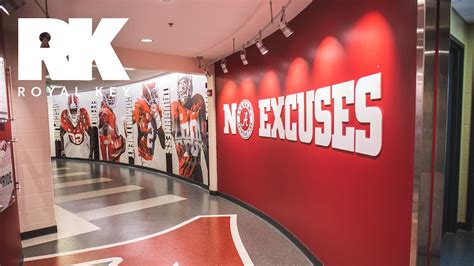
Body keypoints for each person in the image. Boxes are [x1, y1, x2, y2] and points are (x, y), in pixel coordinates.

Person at [171, 75, 208, 182]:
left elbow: (203, 132)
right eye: (181, 84)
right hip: (186, 159)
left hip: (196, 159)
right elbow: (175, 131)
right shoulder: (175, 105)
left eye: (186, 83)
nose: (183, 87)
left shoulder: (197, 100)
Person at [132, 82, 165, 166]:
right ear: (147, 93)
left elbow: (164, 144)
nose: (156, 96)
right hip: (142, 156)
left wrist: (158, 120)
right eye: (153, 93)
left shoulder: (157, 109)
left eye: (156, 93)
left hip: (152, 157)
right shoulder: (139, 104)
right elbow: (127, 122)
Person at [60, 94, 91, 158]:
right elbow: (61, 135)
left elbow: (91, 134)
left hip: (84, 152)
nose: (74, 112)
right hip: (70, 152)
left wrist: (91, 151)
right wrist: (62, 150)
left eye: (75, 109)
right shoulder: (64, 115)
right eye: (72, 110)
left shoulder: (83, 113)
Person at [99, 89, 126, 162]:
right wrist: (120, 149)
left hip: (112, 152)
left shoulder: (107, 111)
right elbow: (106, 141)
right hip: (111, 155)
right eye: (110, 97)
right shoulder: (106, 112)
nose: (112, 99)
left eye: (113, 97)